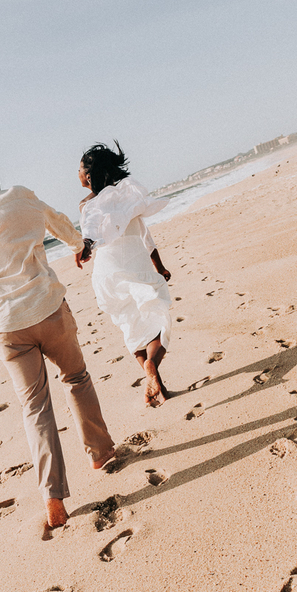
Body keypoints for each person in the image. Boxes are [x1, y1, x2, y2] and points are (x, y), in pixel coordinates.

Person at [0, 152, 115, 530]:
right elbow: (59, 225)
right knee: (76, 378)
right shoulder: (21, 196)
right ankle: (101, 454)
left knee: (35, 408)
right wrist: (78, 247)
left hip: (6, 326)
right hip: (47, 307)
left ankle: (53, 497)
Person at [77, 142, 174, 407]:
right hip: (135, 261)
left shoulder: (87, 204)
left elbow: (91, 230)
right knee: (159, 316)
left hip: (107, 270)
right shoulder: (127, 196)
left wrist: (85, 246)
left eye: (79, 168)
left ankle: (155, 382)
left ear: (88, 176)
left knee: (129, 325)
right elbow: (146, 237)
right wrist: (160, 266)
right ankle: (153, 366)